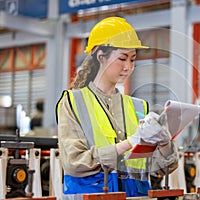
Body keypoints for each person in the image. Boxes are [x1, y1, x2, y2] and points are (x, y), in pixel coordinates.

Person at [56, 17, 178, 197]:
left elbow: (162, 170)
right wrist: (129, 143)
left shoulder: (138, 107)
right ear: (100, 57)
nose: (128, 67)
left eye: (133, 59)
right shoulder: (73, 102)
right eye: (122, 58)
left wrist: (164, 142)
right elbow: (74, 162)